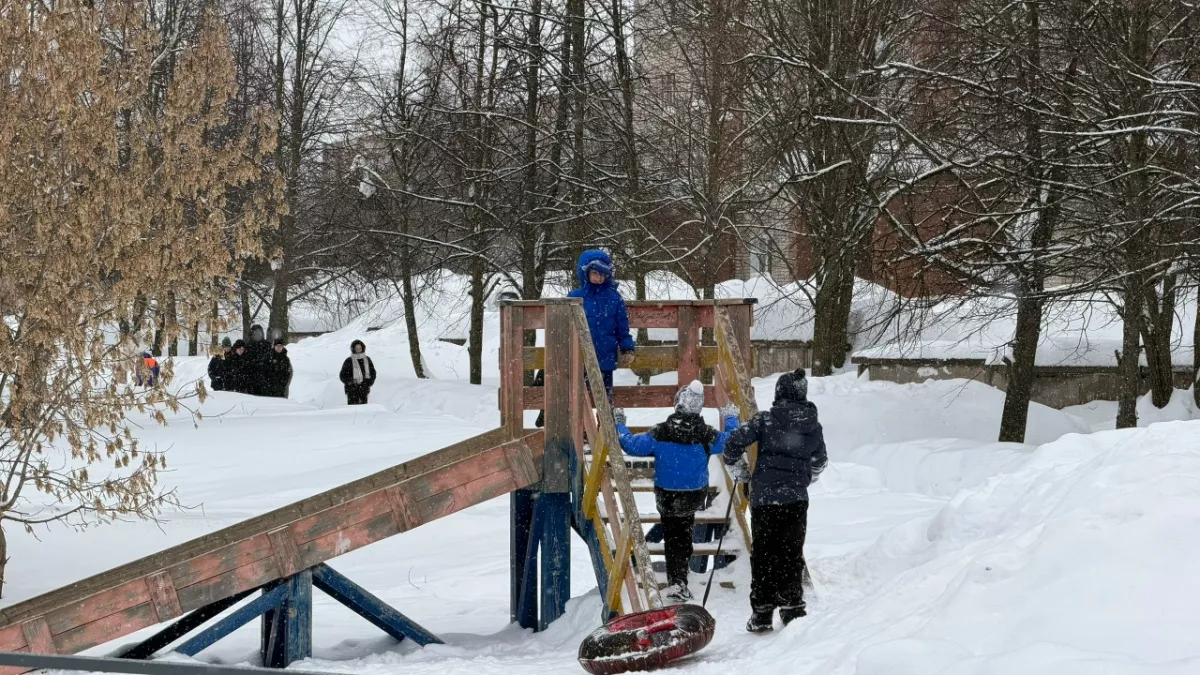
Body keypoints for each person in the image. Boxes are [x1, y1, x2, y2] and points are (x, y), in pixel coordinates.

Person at [613, 381, 740, 603]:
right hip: (693, 495)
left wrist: (619, 424)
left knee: (673, 533)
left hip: (667, 494)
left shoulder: (661, 432)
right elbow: (732, 441)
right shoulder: (706, 435)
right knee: (682, 533)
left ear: (678, 404)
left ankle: (676, 579)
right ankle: (678, 578)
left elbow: (632, 445)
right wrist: (730, 418)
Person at [723, 369, 827, 633]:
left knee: (764, 554)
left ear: (780, 392)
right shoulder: (813, 425)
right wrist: (805, 478)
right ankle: (792, 607)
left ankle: (762, 612)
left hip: (766, 499)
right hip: (795, 500)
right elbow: (820, 462)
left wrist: (740, 471)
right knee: (791, 552)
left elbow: (733, 444)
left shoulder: (765, 420)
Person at [567, 250, 635, 402]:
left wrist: (627, 347)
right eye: (595, 273)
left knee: (605, 400)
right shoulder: (575, 297)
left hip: (605, 357)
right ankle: (580, 419)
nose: (599, 278)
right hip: (580, 357)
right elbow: (565, 327)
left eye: (602, 274)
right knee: (578, 400)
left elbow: (622, 326)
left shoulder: (614, 298)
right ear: (586, 273)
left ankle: (606, 418)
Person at [339, 340, 376, 405]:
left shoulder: (367, 360)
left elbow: (373, 373)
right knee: (352, 409)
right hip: (351, 390)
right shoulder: (348, 361)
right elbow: (342, 375)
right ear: (353, 349)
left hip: (364, 390)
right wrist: (350, 382)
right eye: (356, 348)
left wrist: (368, 382)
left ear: (363, 348)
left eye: (360, 348)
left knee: (363, 409)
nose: (358, 350)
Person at [244, 324, 273, 396]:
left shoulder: (266, 345)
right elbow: (246, 363)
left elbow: (269, 361)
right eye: (255, 332)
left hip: (264, 381)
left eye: (259, 332)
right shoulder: (248, 346)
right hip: (251, 381)